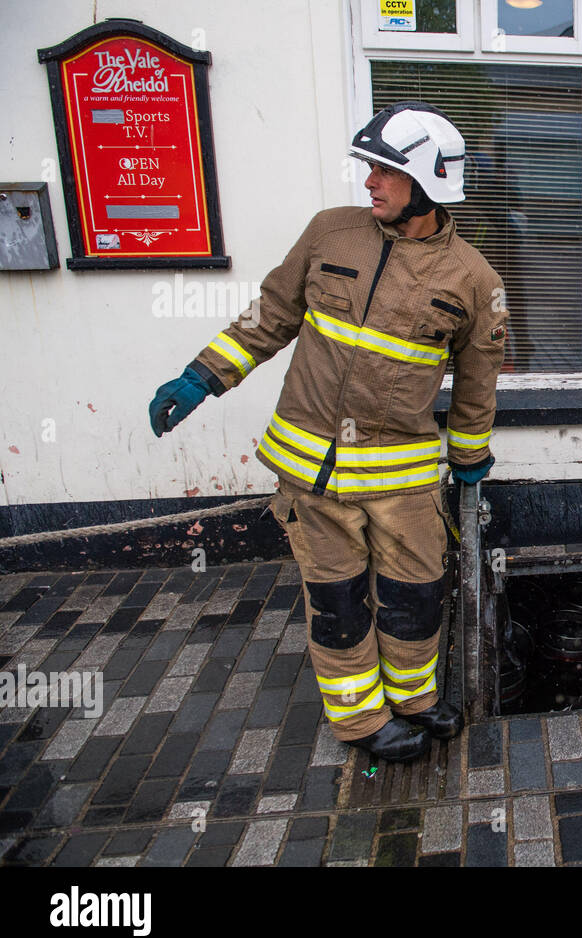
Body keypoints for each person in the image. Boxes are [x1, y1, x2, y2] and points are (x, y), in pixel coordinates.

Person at [149, 102, 508, 763]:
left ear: (426, 182)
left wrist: (470, 459)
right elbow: (270, 315)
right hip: (311, 477)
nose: (368, 181)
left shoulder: (475, 279)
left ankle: (415, 703)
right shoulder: (330, 234)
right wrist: (202, 376)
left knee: (416, 601)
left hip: (404, 484)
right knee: (338, 606)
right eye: (368, 168)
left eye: (384, 170)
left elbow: (476, 386)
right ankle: (362, 724)